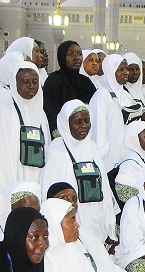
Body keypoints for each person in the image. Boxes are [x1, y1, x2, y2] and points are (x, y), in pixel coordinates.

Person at [40, 100, 118, 244]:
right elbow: (49, 194)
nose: (84, 126)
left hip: (97, 219)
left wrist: (109, 222)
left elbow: (105, 188)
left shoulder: (92, 147)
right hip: (72, 223)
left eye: (87, 121)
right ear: (66, 123)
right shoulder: (57, 151)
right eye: (78, 122)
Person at [0, 60, 51, 189]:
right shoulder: (3, 110)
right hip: (11, 179)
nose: (31, 86)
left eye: (35, 82)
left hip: (38, 180)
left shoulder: (41, 114)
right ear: (14, 82)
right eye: (25, 82)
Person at [41, 40, 96, 136]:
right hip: (61, 135)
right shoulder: (54, 81)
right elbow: (50, 111)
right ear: (62, 57)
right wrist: (58, 134)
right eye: (71, 54)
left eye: (79, 54)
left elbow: (95, 108)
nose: (76, 58)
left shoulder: (85, 82)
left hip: (86, 134)